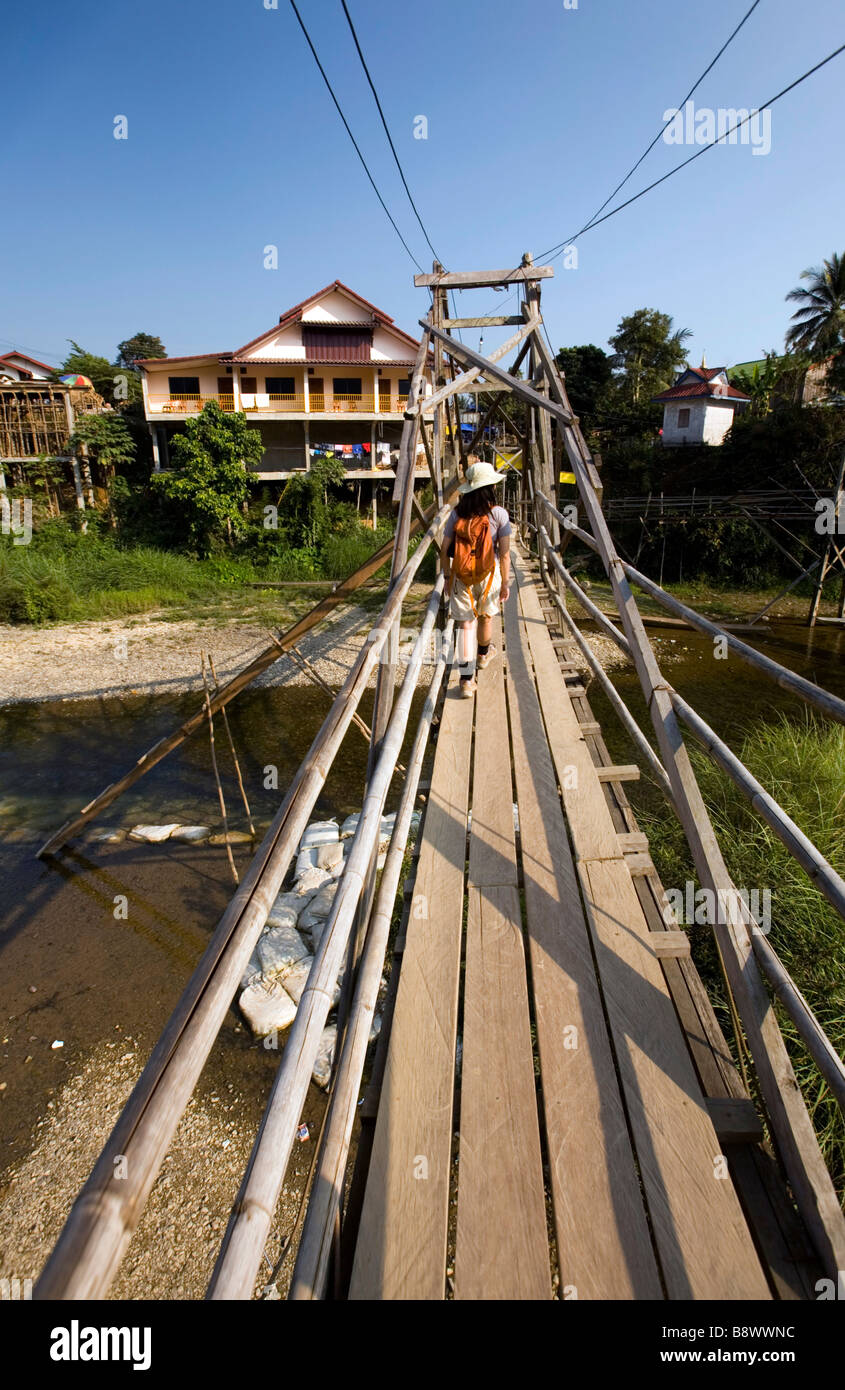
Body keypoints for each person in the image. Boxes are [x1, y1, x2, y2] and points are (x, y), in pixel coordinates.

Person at [440, 458, 512, 697]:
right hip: (489, 575)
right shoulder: (500, 515)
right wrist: (506, 582)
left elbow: (444, 549)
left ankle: (466, 681)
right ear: (491, 487)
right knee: (485, 619)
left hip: (462, 577)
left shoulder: (457, 514)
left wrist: (448, 578)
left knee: (465, 626)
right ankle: (483, 655)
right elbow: (504, 554)